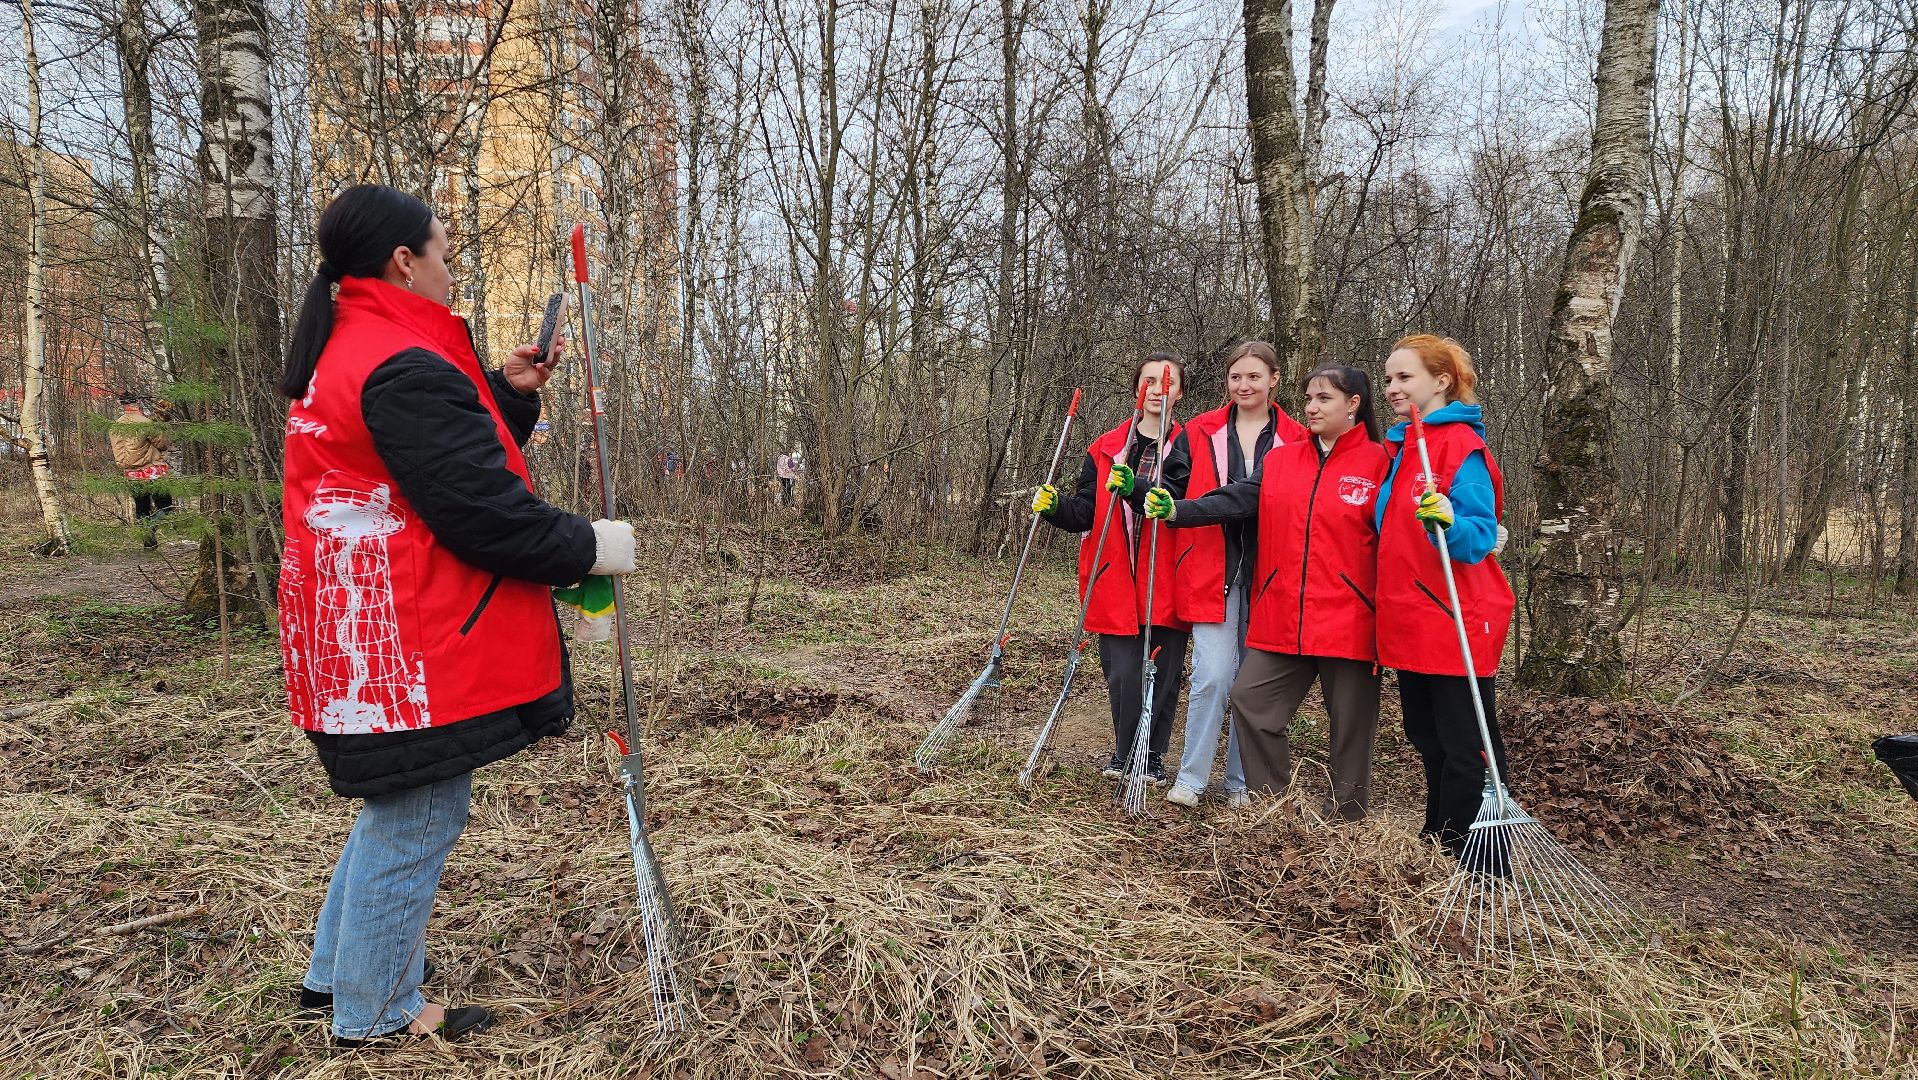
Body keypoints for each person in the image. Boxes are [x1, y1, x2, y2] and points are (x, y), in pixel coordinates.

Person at [276, 184, 638, 1046]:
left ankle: (338, 975)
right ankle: (376, 1011)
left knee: (397, 805)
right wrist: (591, 545)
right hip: (409, 635)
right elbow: (481, 512)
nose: (449, 267)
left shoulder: (364, 346)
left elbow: (420, 463)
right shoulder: (402, 363)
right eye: (443, 251)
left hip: (365, 626)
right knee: (422, 811)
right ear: (404, 260)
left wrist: (507, 396)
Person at [1147, 365, 1388, 820]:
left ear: (1353, 404)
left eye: (1324, 399)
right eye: (1309, 399)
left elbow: (1401, 532)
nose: (1312, 408)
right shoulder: (1282, 461)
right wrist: (1178, 510)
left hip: (1350, 618)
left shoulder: (1380, 462)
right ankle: (1273, 807)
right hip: (1283, 617)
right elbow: (1233, 498)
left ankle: (1347, 819)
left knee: (1351, 726)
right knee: (1251, 700)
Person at [1375, 333, 1515, 867]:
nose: (1392, 387)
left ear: (1441, 381)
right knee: (1425, 735)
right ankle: (1438, 837)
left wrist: (1452, 522)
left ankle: (1480, 858)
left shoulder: (1460, 446)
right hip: (1409, 617)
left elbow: (1481, 534)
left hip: (1455, 614)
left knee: (1466, 742)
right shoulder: (1401, 449)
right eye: (1388, 378)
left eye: (1405, 377)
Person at [1156, 341, 1307, 809]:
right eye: (1236, 377)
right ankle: (1192, 777)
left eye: (1254, 377)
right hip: (1211, 570)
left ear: (1274, 380)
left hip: (1271, 574)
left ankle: (1241, 783)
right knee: (1213, 676)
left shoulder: (1298, 439)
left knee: (1251, 686)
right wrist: (1145, 491)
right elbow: (1172, 490)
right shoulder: (1200, 430)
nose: (1244, 385)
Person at [1032, 356, 1189, 782]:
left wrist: (1137, 489)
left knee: (1162, 673)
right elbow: (1086, 511)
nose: (1157, 389)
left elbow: (1180, 498)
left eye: (1166, 383)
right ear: (1137, 389)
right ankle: (1124, 753)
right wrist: (1055, 508)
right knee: (1122, 674)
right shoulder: (1104, 449)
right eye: (1148, 382)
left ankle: (1152, 756)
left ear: (1179, 392)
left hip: (1167, 578)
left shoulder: (1189, 448)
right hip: (1115, 577)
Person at [109, 393, 173, 549]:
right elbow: (163, 444)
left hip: (131, 474)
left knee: (142, 508)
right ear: (137, 402)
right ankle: (151, 528)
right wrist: (160, 423)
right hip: (152, 471)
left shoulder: (115, 426)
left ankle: (148, 543)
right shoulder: (145, 423)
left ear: (122, 405)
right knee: (166, 507)